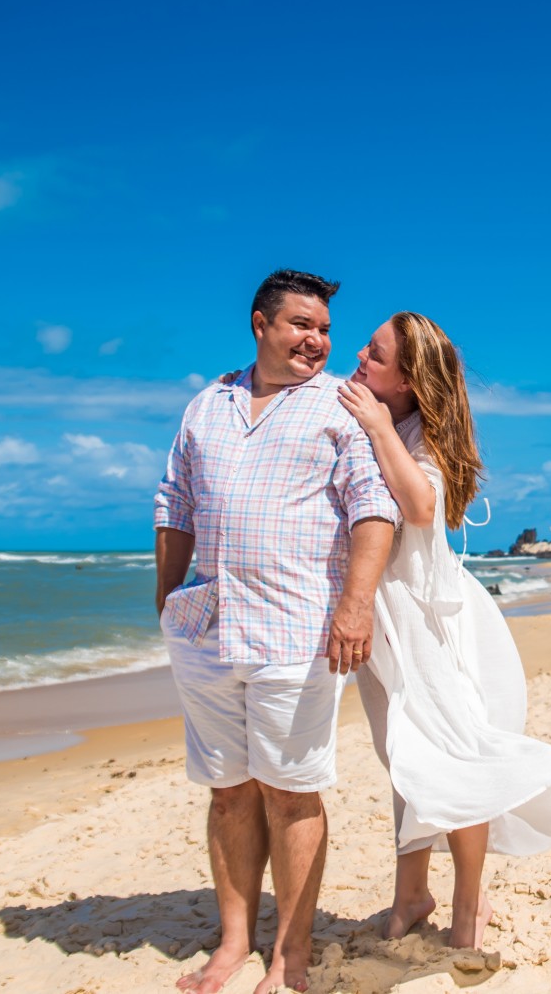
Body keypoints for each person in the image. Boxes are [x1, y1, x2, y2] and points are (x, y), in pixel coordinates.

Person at [154, 269, 400, 994]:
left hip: (297, 629)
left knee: (291, 792)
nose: (316, 341)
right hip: (206, 625)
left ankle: (291, 952)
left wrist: (355, 606)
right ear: (260, 324)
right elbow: (174, 503)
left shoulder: (340, 403)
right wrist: (166, 597)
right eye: (301, 325)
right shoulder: (207, 404)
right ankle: (234, 942)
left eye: (324, 329)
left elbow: (373, 507)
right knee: (229, 792)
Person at [337, 312, 551, 950]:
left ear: (408, 381)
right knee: (404, 757)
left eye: (376, 354)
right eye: (367, 346)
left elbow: (421, 506)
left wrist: (378, 427)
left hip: (425, 620)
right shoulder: (373, 414)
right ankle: (411, 893)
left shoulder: (418, 435)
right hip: (383, 618)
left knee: (456, 759)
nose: (360, 356)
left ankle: (467, 909)